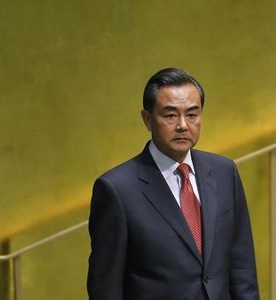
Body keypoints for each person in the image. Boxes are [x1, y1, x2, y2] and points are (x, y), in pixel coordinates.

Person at [87, 67, 259, 300]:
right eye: (170, 115)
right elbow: (105, 289)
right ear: (147, 119)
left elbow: (242, 269)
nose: (182, 125)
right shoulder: (116, 189)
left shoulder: (224, 172)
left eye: (192, 114)